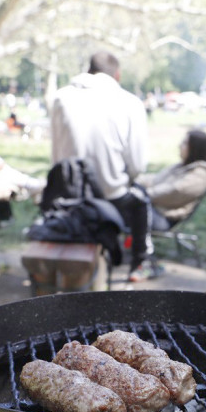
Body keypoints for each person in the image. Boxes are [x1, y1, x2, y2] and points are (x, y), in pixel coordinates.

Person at [49, 51, 161, 282]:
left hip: (69, 195)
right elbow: (138, 163)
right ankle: (140, 262)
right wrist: (123, 178)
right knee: (141, 202)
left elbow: (56, 154)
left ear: (88, 71)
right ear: (116, 75)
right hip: (112, 196)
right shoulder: (129, 102)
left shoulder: (61, 98)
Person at [137, 129, 206, 231]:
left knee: (121, 206)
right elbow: (156, 179)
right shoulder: (184, 166)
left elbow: (172, 192)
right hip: (155, 209)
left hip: (163, 217)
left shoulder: (200, 176)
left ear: (195, 148)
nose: (179, 145)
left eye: (184, 143)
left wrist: (140, 194)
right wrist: (134, 181)